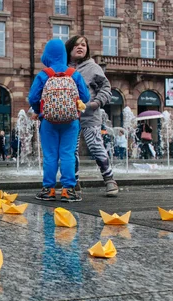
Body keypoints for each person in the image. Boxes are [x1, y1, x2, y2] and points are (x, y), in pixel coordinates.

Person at [28, 39, 90, 202]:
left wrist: (38, 111)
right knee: (68, 154)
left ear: (47, 55)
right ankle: (67, 190)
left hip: (48, 122)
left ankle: (48, 190)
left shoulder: (44, 74)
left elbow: (32, 97)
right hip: (71, 122)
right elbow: (86, 97)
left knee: (50, 155)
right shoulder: (73, 73)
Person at [65, 35, 117, 197]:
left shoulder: (93, 67)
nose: (80, 47)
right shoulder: (63, 68)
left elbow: (106, 87)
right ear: (69, 48)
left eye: (83, 45)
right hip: (68, 117)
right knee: (71, 150)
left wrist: (96, 103)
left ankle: (109, 180)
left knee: (95, 146)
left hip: (90, 115)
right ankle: (74, 183)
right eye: (76, 45)